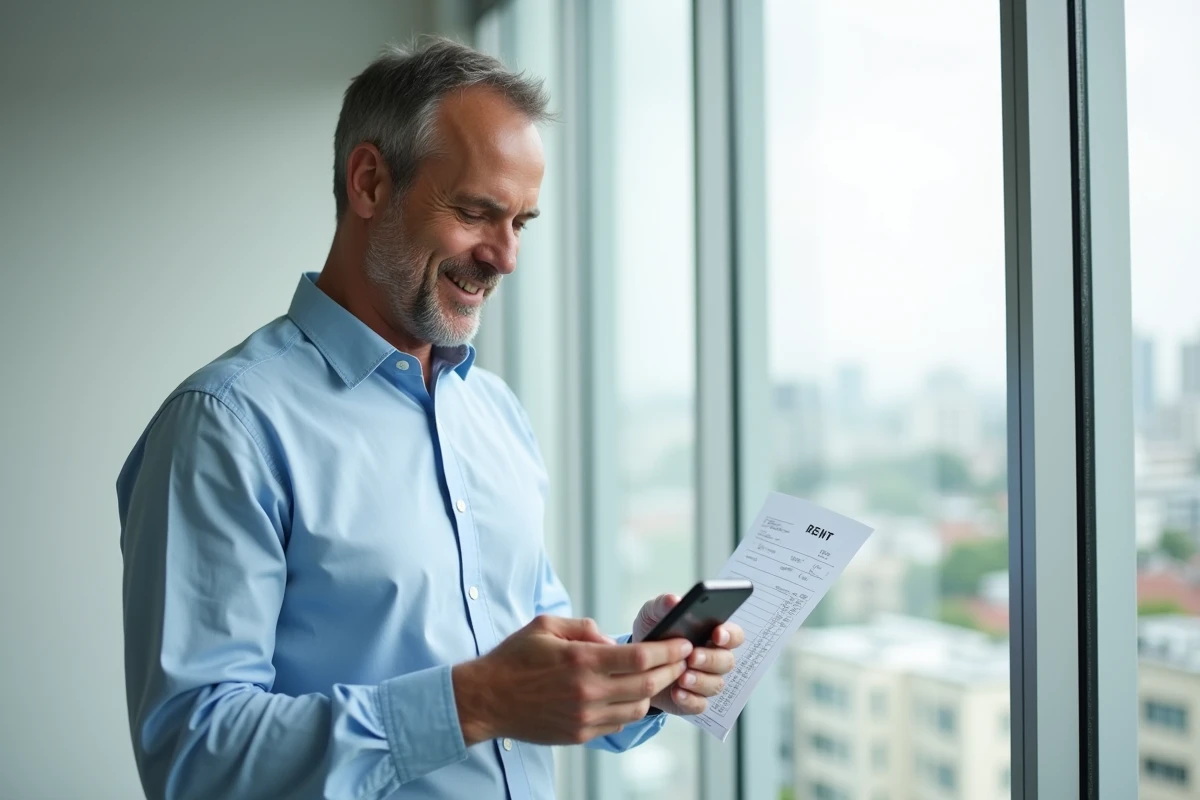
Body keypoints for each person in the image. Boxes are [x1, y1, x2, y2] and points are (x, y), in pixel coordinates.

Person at [116, 37, 744, 800]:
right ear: (371, 181)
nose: (506, 257)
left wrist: (638, 668)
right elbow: (194, 759)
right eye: (478, 212)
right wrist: (475, 701)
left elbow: (524, 656)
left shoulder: (496, 413)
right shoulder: (225, 427)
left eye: (522, 222)